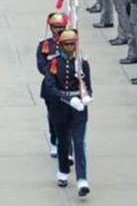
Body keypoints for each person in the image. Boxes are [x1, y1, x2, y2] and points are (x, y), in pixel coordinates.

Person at [43, 29, 93, 197]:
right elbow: (50, 87)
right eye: (67, 44)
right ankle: (63, 170)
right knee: (63, 142)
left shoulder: (82, 63)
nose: (71, 47)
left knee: (79, 143)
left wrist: (86, 98)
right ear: (61, 45)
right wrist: (66, 97)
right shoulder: (54, 63)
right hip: (60, 107)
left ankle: (82, 179)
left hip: (78, 108)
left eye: (73, 43)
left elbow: (88, 86)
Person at [37, 12, 65, 157]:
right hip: (51, 86)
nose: (58, 30)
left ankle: (65, 143)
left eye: (61, 27)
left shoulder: (70, 43)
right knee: (53, 117)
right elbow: (41, 66)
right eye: (55, 27)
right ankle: (54, 140)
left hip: (67, 86)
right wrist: (53, 71)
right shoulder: (45, 45)